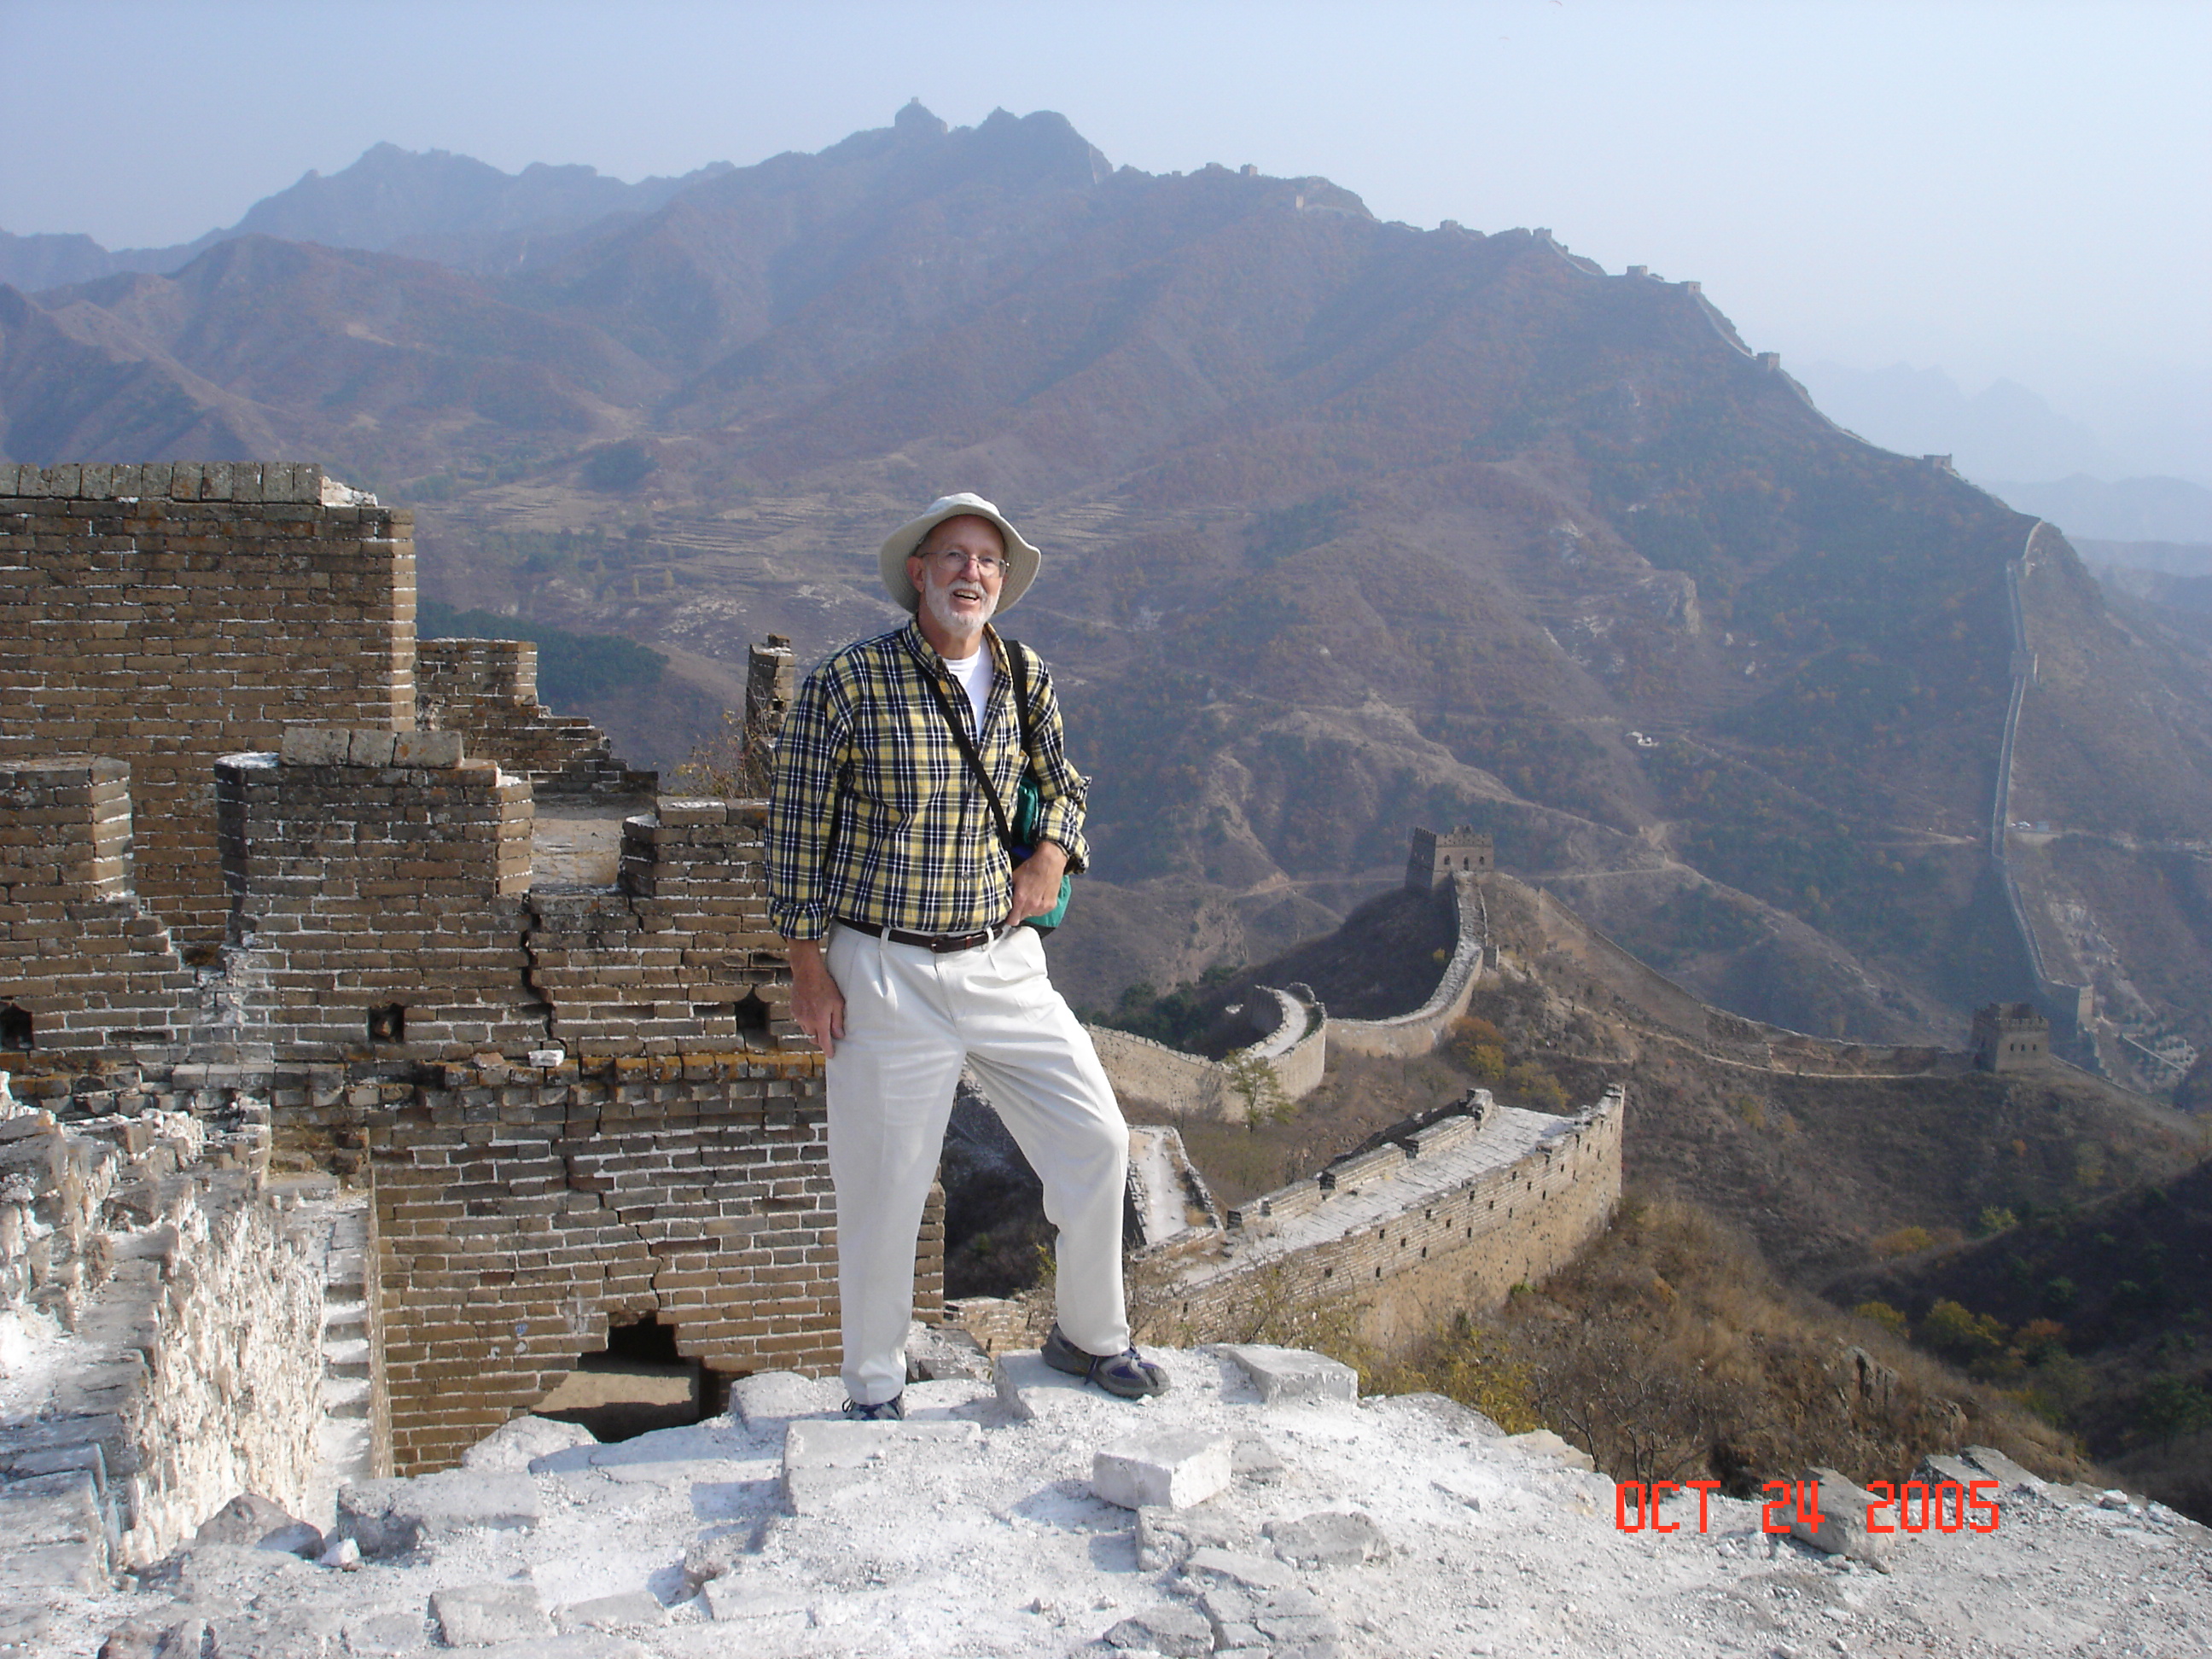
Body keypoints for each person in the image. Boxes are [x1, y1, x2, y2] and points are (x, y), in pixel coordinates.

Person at [765, 492, 1168, 1420]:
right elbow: (793, 834)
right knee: (882, 1189)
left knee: (1096, 1141)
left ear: (1002, 580)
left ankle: (1089, 1335)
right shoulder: (850, 683)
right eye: (953, 557)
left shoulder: (1027, 676)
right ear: (919, 572)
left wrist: (1051, 855)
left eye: (987, 561)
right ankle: (872, 1387)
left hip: (1001, 962)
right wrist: (807, 967)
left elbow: (1062, 785)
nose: (971, 574)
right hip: (884, 968)